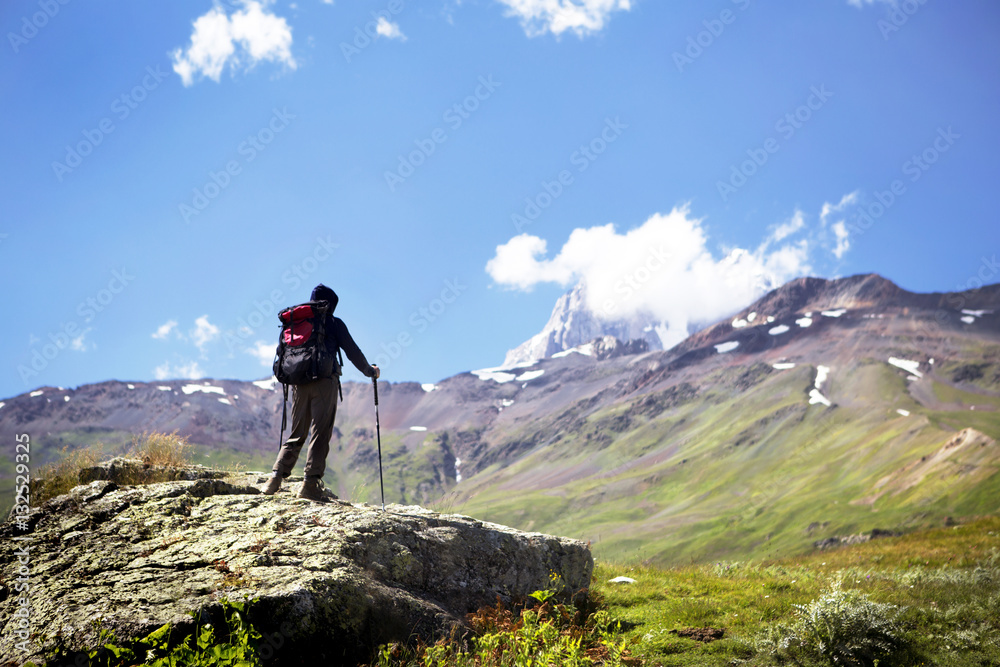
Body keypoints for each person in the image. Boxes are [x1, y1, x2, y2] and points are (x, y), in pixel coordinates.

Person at [261, 284, 379, 501]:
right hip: (324, 382)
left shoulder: (298, 322)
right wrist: (369, 371)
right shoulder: (333, 323)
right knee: (320, 431)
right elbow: (352, 350)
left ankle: (274, 479)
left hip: (298, 383)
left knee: (297, 433)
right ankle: (310, 484)